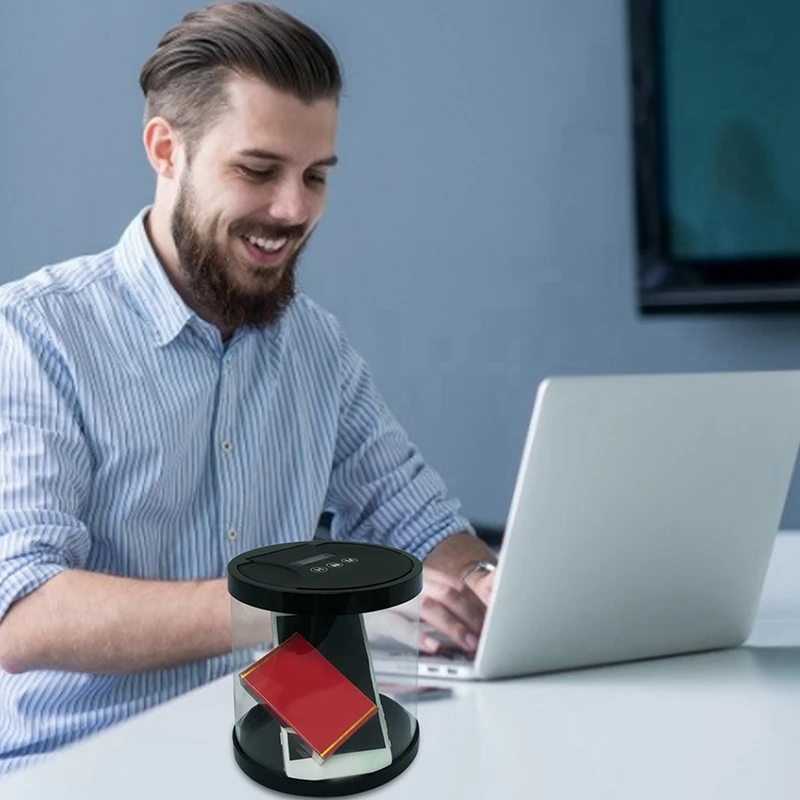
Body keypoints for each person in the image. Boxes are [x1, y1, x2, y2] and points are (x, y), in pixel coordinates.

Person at [0, 1, 497, 776]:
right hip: (84, 757)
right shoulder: (33, 336)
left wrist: (483, 585)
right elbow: (24, 615)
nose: (294, 209)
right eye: (258, 171)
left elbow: (421, 523)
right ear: (167, 150)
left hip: (291, 725)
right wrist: (294, 607)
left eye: (315, 177)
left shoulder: (314, 345)